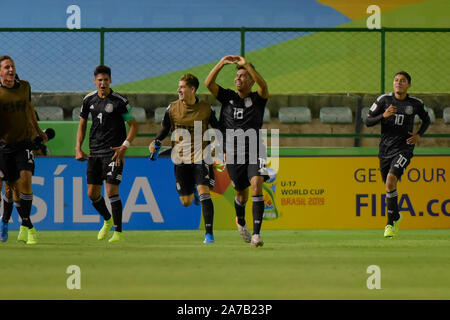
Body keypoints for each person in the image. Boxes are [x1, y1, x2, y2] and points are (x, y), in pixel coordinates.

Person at [205, 55, 269, 248]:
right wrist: (221, 63)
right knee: (241, 195)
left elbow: (264, 86)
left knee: (257, 183)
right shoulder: (228, 97)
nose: (238, 79)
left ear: (250, 79)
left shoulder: (258, 99)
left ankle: (257, 235)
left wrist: (247, 65)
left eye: (242, 76)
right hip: (233, 153)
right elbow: (209, 83)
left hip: (255, 150)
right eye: (237, 76)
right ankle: (240, 221)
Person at [149, 73, 219, 244]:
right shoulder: (172, 109)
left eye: (182, 87)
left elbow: (218, 129)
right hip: (180, 159)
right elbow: (165, 130)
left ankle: (209, 234)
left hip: (201, 157)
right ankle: (192, 192)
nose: (178, 90)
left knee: (205, 193)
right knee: (186, 202)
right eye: (179, 87)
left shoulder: (206, 109)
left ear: (192, 89)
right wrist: (156, 142)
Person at [75, 65, 138, 243]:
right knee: (92, 194)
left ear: (111, 81)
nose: (103, 83)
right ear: (95, 81)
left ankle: (118, 231)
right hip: (94, 153)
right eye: (99, 80)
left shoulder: (119, 101)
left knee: (111, 191)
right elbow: (82, 125)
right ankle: (108, 220)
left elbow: (134, 125)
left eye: (106, 80)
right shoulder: (88, 100)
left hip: (113, 153)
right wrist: (78, 148)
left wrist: (124, 146)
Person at [365, 71, 430, 238]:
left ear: (408, 85)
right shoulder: (383, 100)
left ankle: (389, 224)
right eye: (396, 80)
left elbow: (427, 119)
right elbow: (367, 121)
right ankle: (396, 216)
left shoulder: (415, 103)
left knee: (391, 180)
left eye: (402, 81)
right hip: (385, 150)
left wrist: (418, 135)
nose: (398, 83)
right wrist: (383, 115)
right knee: (389, 187)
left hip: (404, 148)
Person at [0, 55, 47, 244]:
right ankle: (13, 222)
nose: (11, 70)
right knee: (11, 189)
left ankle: (27, 228)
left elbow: (29, 109)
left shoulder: (25, 86)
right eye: (6, 67)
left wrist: (38, 131)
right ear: (0, 72)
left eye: (12, 66)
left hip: (24, 142)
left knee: (26, 178)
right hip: (5, 145)